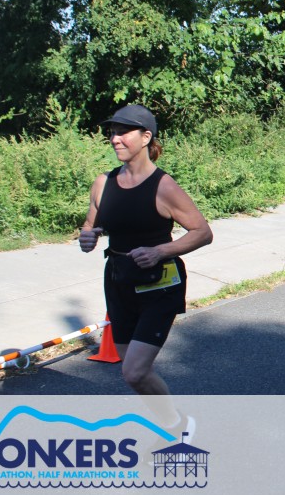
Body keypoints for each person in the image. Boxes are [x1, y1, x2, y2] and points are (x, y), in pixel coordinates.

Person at [79, 104, 213, 442]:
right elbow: (90, 226)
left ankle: (178, 427)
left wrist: (160, 251)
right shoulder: (103, 183)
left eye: (123, 132)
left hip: (160, 285)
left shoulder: (163, 186)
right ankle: (176, 425)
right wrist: (87, 237)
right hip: (119, 282)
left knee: (134, 371)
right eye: (112, 132)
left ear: (145, 137)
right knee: (135, 374)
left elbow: (202, 232)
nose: (115, 138)